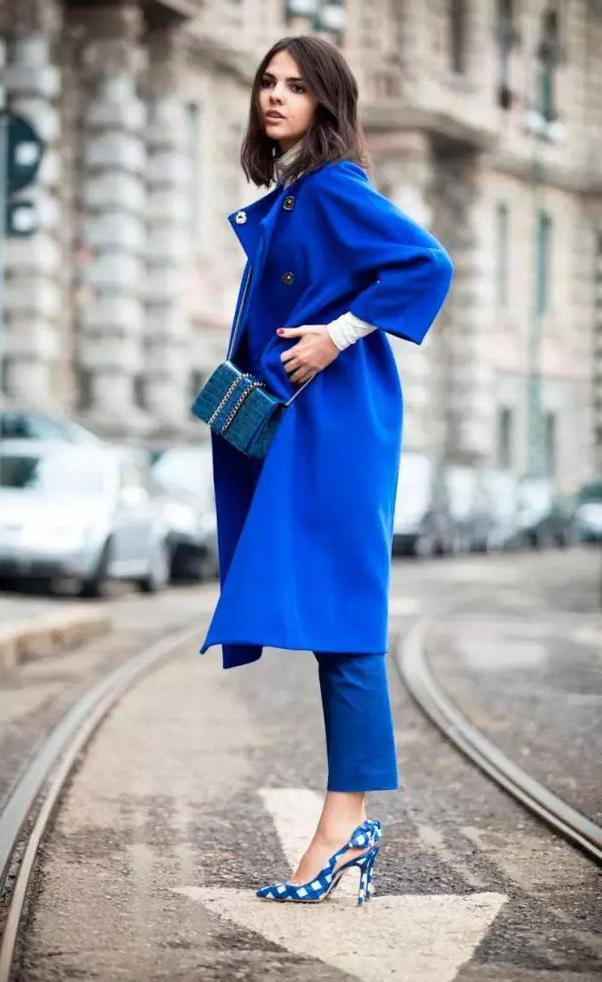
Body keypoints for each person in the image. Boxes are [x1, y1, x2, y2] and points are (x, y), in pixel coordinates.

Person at [198, 35, 454, 905]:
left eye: (296, 86)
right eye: (267, 83)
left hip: (338, 425)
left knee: (345, 621)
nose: (275, 96)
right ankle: (346, 828)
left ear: (327, 102)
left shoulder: (335, 188)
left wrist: (337, 334)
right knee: (332, 620)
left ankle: (342, 830)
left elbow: (427, 262)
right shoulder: (290, 193)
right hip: (304, 424)